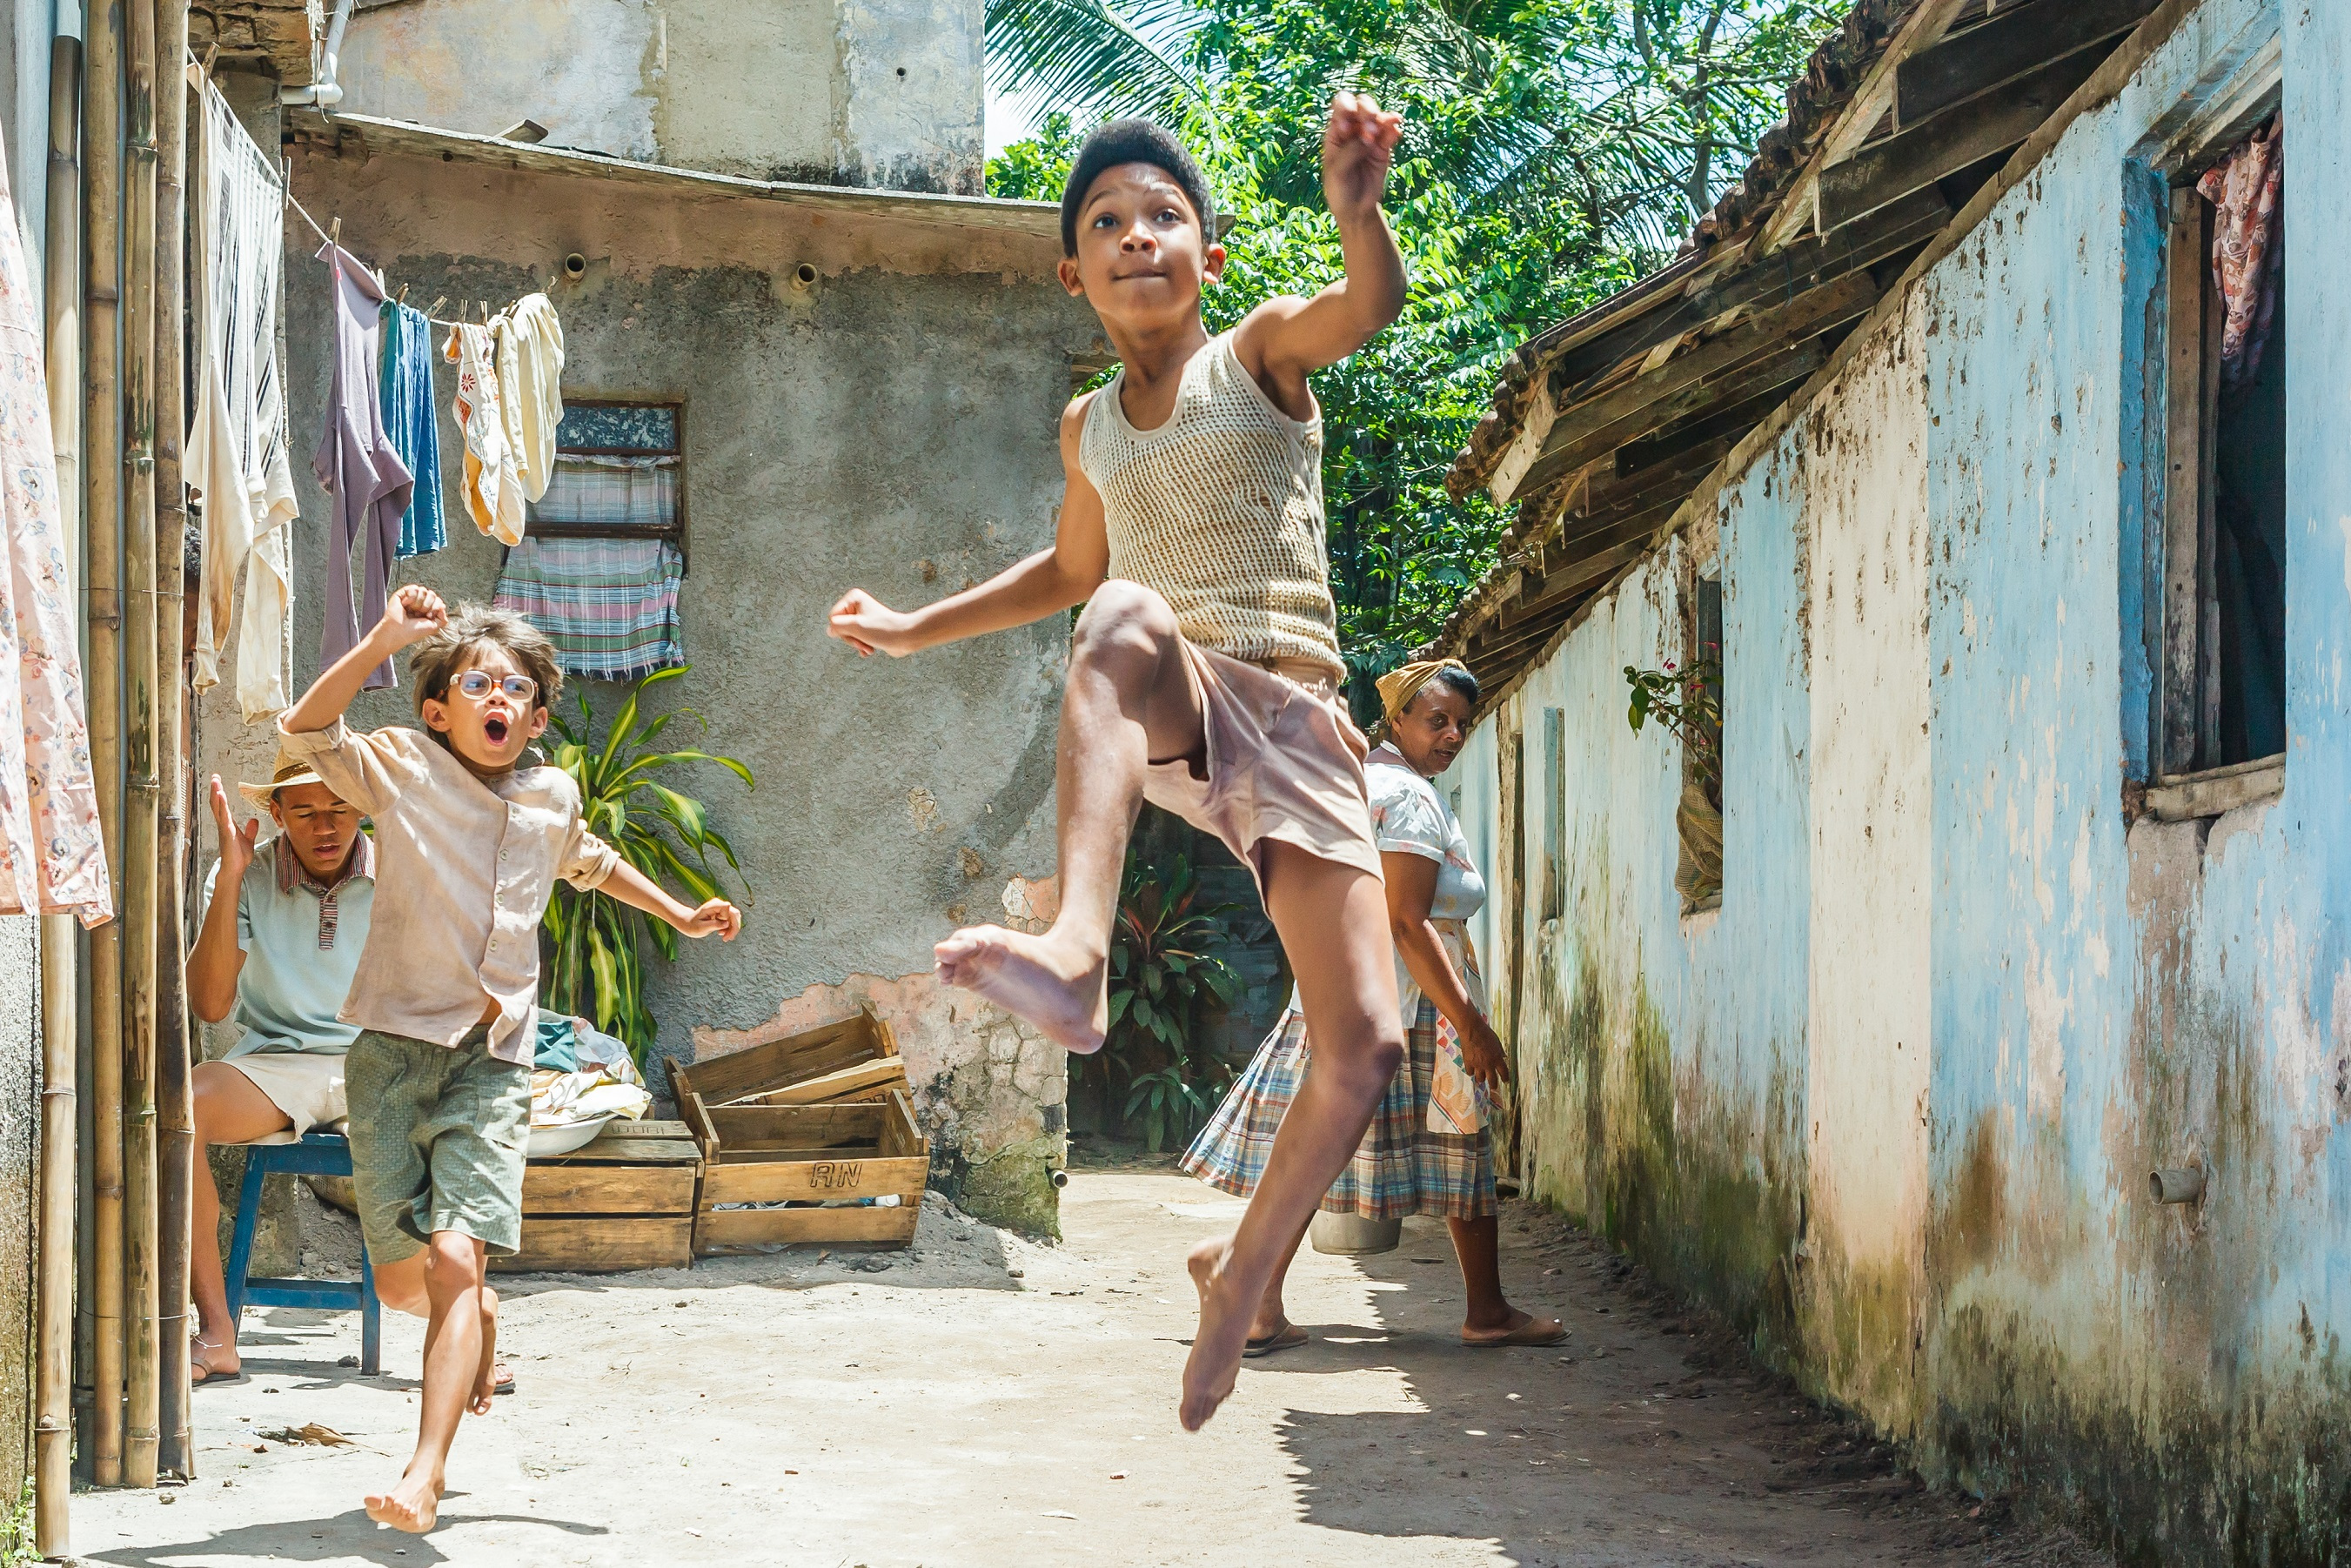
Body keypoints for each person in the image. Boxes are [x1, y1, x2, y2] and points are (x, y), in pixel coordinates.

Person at [827, 97, 1410, 1431]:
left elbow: (1362, 304)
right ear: (1071, 272)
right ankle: (1078, 950)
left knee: (1364, 1045)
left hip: (1299, 719)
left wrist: (1357, 210)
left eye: (1164, 217)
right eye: (1106, 222)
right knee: (1123, 613)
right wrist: (919, 626)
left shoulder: (1257, 356)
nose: (1138, 235)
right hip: (1174, 700)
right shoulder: (1086, 426)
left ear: (1204, 251)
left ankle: (1236, 1271)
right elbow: (1076, 572)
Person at [278, 586, 742, 1533]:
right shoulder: (400, 765)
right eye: (477, 681)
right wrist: (383, 638)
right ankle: (478, 1312)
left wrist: (679, 910)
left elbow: (592, 860)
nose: (499, 697)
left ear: (536, 714)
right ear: (439, 707)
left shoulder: (553, 791)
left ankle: (425, 1470)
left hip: (491, 1059)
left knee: (455, 1253)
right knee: (407, 1282)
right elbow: (305, 725)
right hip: (390, 1056)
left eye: (517, 688)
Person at [1182, 660, 1565, 1353]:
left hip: (1345, 994)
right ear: (1396, 720)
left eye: (1462, 725)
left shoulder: (1364, 784)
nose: (1452, 735)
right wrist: (1470, 1024)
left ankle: (1255, 1299)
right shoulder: (1411, 800)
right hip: (1413, 1004)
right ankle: (1484, 1310)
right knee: (1464, 1151)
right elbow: (1407, 922)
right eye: (1436, 720)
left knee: (1314, 1153)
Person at [185, 756, 374, 1384]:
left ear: (363, 806)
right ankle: (216, 1334)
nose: (326, 827)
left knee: (459, 1120)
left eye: (339, 808)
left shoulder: (404, 871)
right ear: (276, 814)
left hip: (380, 1061)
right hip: (278, 1063)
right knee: (181, 1110)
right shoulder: (246, 871)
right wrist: (232, 879)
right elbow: (211, 1003)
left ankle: (469, 1331)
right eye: (305, 812)